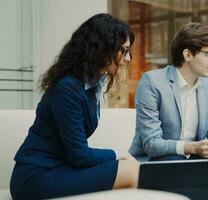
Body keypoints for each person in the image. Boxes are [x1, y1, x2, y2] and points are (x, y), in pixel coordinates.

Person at [10, 13, 139, 200]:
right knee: (131, 170)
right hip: (36, 177)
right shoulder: (68, 87)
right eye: (124, 50)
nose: (128, 58)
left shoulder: (91, 85)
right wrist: (118, 154)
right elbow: (80, 155)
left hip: (62, 167)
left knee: (132, 169)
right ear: (102, 47)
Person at [128, 23, 208, 162]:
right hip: (156, 160)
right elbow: (152, 144)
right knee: (173, 158)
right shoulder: (152, 82)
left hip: (192, 160)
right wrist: (193, 147)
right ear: (188, 55)